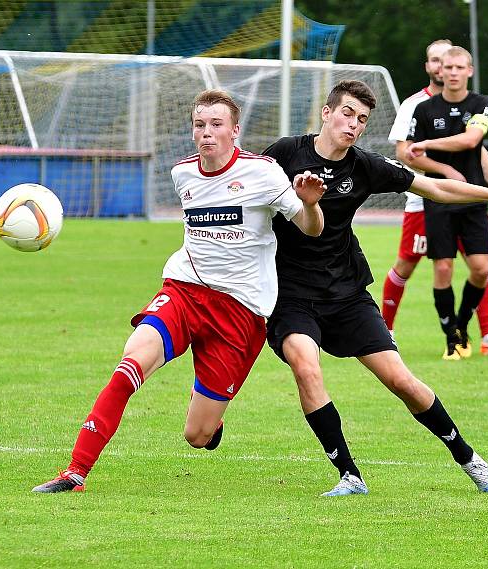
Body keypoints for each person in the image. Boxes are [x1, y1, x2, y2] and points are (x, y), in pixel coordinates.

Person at [32, 89, 327, 493]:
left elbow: (313, 228)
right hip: (184, 292)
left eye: (216, 125)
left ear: (235, 131)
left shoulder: (264, 173)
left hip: (241, 312)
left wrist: (310, 205)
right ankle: (76, 471)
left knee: (197, 435)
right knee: (130, 364)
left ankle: (211, 421)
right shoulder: (183, 173)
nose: (207, 133)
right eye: (200, 125)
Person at [262, 79, 488, 496]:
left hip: (346, 293)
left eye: (362, 119)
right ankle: (349, 476)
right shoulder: (285, 153)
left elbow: (436, 187)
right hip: (290, 296)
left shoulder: (364, 165)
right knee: (306, 366)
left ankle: (469, 458)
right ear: (326, 112)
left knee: (401, 381)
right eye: (346, 114)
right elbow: (242, 187)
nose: (353, 125)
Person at [383, 39, 488, 356]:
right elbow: (405, 153)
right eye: (437, 61)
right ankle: (384, 331)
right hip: (425, 199)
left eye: (450, 62)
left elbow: (477, 147)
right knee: (412, 263)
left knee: (479, 264)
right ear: (431, 67)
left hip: (469, 196)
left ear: (465, 69)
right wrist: (443, 170)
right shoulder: (414, 105)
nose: (442, 67)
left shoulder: (474, 103)